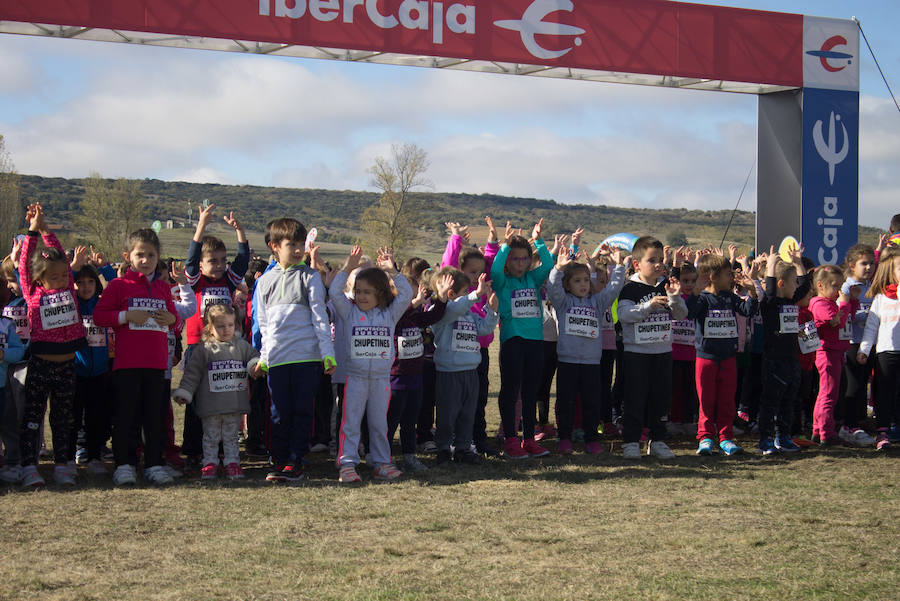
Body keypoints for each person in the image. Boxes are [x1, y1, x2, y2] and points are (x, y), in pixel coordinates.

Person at [94, 228, 179, 486]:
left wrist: (172, 318)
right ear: (127, 256)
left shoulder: (164, 288)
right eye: (140, 254)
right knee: (126, 417)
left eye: (151, 255)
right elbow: (100, 316)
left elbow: (175, 319)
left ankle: (154, 463)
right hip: (127, 364)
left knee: (154, 417)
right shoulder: (119, 286)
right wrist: (125, 316)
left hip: (156, 364)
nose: (146, 260)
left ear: (158, 257)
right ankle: (125, 464)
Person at [253, 218, 335, 483]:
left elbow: (320, 317)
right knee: (279, 412)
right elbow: (264, 325)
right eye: (292, 245)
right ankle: (279, 459)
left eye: (302, 244)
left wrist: (327, 353)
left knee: (302, 411)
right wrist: (264, 358)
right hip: (277, 360)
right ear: (274, 246)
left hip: (307, 359)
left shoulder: (310, 277)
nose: (299, 250)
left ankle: (296, 460)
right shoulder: (264, 282)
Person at [18, 203, 88, 487]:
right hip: (40, 364)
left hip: (67, 366)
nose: (61, 280)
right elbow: (24, 264)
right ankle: (28, 467)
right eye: (54, 277)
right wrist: (32, 232)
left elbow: (59, 252)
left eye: (63, 276)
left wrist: (47, 229)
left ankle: (62, 464)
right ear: (39, 279)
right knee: (33, 418)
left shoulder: (67, 286)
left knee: (63, 419)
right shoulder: (31, 292)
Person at [330, 246, 412, 483]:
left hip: (381, 379)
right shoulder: (349, 312)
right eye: (358, 291)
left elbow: (405, 294)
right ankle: (347, 463)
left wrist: (392, 271)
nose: (361, 296)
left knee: (379, 424)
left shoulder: (390, 314)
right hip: (355, 378)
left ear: (381, 293)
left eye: (368, 292)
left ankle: (381, 462)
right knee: (351, 422)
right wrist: (347, 268)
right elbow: (335, 292)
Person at [181, 203, 250, 470]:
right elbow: (189, 260)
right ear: (201, 264)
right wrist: (201, 227)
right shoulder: (196, 281)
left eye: (223, 260)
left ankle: (222, 451)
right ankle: (194, 451)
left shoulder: (228, 282)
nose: (220, 266)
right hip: (198, 349)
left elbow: (242, 261)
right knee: (196, 401)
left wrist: (241, 233)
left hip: (225, 352)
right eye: (213, 261)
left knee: (222, 398)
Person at [547, 245, 628, 454]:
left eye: (586, 280)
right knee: (566, 401)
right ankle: (564, 437)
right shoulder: (563, 303)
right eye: (577, 281)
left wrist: (618, 266)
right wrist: (557, 268)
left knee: (592, 401)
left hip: (592, 362)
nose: (583, 284)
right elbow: (552, 289)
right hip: (567, 361)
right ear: (567, 284)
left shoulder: (598, 302)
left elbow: (613, 289)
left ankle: (592, 438)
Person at [617, 236, 686, 459]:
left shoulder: (666, 286)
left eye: (661, 260)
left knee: (661, 398)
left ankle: (657, 440)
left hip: (663, 352)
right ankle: (630, 441)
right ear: (637, 264)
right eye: (652, 260)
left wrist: (675, 297)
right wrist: (649, 305)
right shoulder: (630, 288)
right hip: (637, 354)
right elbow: (624, 314)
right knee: (635, 398)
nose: (658, 265)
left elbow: (681, 314)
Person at [490, 218, 554, 459]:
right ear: (508, 260)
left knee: (530, 392)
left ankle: (528, 439)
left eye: (524, 258)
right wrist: (504, 246)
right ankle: (510, 441)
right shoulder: (503, 281)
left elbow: (548, 265)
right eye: (515, 258)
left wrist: (538, 240)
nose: (520, 263)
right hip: (513, 341)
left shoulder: (533, 279)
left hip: (535, 342)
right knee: (510, 391)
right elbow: (495, 270)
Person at [174, 304, 260, 479]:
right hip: (211, 405)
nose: (226, 329)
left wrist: (255, 367)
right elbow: (192, 374)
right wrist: (185, 392)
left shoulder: (241, 346)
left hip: (233, 404)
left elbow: (253, 358)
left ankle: (232, 463)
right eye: (220, 326)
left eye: (230, 325)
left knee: (231, 437)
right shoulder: (204, 349)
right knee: (211, 436)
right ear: (210, 328)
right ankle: (210, 462)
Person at [439, 218, 500, 456]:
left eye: (480, 272)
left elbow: (492, 266)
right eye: (471, 272)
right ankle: (450, 442)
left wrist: (492, 243)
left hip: (478, 355)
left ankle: (476, 440)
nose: (477, 277)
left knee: (478, 401)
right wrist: (455, 238)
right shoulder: (455, 302)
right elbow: (448, 264)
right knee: (452, 405)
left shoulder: (483, 291)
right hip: (453, 360)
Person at [686, 253, 758, 456]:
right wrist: (694, 293)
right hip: (705, 358)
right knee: (706, 400)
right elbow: (689, 313)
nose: (731, 278)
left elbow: (747, 310)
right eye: (727, 274)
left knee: (727, 400)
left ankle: (726, 438)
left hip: (728, 358)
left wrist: (752, 291)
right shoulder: (702, 298)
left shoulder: (729, 297)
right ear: (712, 276)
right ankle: (706, 437)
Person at [430, 269, 497, 465]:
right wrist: (476, 295)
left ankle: (463, 448)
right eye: (464, 292)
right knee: (447, 414)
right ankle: (443, 448)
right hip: (449, 373)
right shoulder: (441, 314)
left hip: (470, 373)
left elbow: (484, 329)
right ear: (451, 294)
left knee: (467, 414)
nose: (469, 296)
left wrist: (492, 311)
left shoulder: (469, 315)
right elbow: (453, 310)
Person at [388, 259, 447, 473]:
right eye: (407, 296)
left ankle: (409, 456)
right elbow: (399, 313)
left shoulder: (415, 317)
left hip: (415, 377)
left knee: (410, 420)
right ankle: (384, 457)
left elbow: (434, 315)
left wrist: (440, 298)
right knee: (391, 420)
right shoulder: (392, 316)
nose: (413, 299)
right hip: (395, 377)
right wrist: (413, 302)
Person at [757, 245, 810, 455]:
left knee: (789, 400)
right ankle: (766, 440)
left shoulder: (791, 301)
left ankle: (784, 436)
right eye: (793, 282)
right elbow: (769, 292)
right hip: (773, 361)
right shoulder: (771, 303)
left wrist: (798, 264)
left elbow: (805, 287)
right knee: (771, 402)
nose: (797, 285)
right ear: (781, 283)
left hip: (791, 359)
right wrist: (770, 266)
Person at [809, 264, 858, 445]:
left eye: (840, 286)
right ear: (821, 285)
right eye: (835, 286)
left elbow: (845, 320)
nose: (838, 291)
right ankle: (826, 432)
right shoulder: (820, 303)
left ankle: (818, 430)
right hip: (827, 353)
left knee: (826, 393)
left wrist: (850, 302)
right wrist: (844, 303)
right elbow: (836, 322)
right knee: (829, 394)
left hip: (835, 352)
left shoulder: (828, 303)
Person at [71, 262, 112, 474]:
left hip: (100, 371)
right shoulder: (72, 304)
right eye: (80, 282)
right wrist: (74, 268)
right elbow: (62, 285)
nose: (86, 287)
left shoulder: (103, 304)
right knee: (75, 415)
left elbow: (117, 285)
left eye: (90, 282)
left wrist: (105, 267)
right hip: (77, 370)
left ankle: (95, 455)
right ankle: (77, 451)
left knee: (97, 415)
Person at [857, 250, 900, 450]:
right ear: (890, 272)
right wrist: (864, 349)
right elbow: (871, 327)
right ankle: (883, 431)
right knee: (884, 392)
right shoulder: (881, 298)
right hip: (886, 353)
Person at [838, 244, 877, 447]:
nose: (869, 267)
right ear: (852, 265)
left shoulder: (872, 286)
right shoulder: (847, 287)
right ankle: (848, 425)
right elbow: (842, 314)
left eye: (871, 263)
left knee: (863, 384)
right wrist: (865, 316)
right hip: (852, 342)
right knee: (852, 384)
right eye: (864, 263)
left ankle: (859, 422)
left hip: (869, 342)